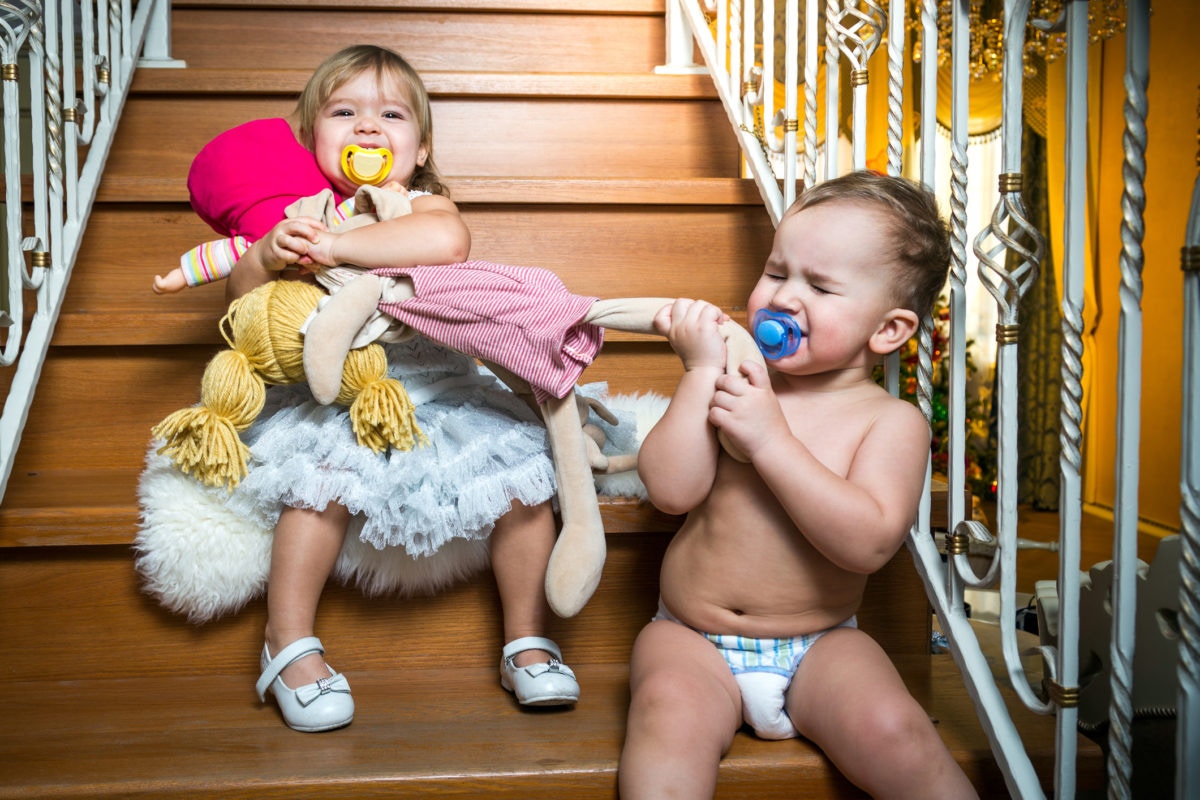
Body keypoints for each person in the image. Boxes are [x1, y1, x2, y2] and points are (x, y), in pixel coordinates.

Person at [211, 44, 580, 733]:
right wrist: (265, 254)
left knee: (524, 475)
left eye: (391, 114)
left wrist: (335, 248)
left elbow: (445, 242)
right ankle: (286, 640)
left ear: (422, 145)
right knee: (317, 480)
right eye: (344, 112)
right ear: (309, 137)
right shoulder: (300, 213)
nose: (369, 128)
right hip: (342, 395)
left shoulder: (417, 204)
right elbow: (241, 307)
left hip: (441, 389)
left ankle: (526, 638)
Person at [618, 171, 978, 798]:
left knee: (900, 733)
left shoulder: (891, 423)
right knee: (665, 717)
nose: (784, 295)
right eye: (777, 272)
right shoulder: (734, 379)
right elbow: (669, 491)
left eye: (820, 284)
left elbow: (866, 543)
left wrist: (771, 441)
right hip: (690, 636)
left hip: (822, 644)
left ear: (887, 331)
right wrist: (701, 373)